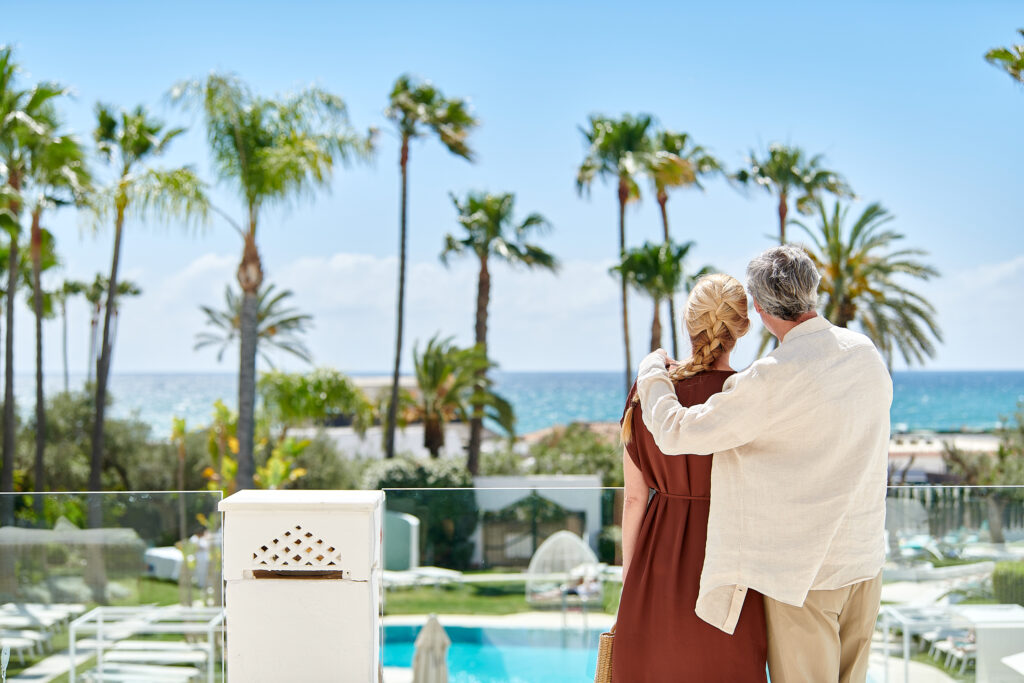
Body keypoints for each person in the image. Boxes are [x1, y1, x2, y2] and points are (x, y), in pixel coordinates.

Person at [634, 246, 892, 683]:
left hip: (805, 577)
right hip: (865, 563)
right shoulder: (864, 353)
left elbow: (676, 431)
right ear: (812, 289)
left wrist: (652, 373)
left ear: (758, 306)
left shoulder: (771, 378)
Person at [613, 273, 768, 683]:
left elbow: (633, 500)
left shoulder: (648, 392)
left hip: (656, 564)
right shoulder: (750, 397)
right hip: (732, 570)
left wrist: (631, 581)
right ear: (743, 327)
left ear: (688, 323)